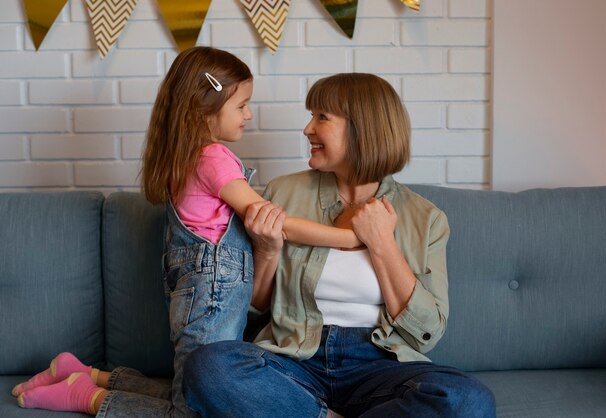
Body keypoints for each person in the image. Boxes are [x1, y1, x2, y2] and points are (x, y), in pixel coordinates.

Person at [12, 47, 362, 416]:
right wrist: (348, 238)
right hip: (213, 299)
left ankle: (86, 374)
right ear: (205, 106)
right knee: (194, 410)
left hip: (200, 295)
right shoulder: (214, 158)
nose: (248, 114)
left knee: (195, 392)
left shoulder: (188, 158)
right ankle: (83, 396)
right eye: (241, 105)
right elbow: (275, 221)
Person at [183, 73, 497, 417]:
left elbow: (428, 331)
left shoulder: (426, 219)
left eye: (321, 117)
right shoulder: (282, 193)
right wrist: (268, 250)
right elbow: (255, 310)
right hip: (295, 359)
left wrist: (381, 244)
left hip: (380, 365)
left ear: (362, 128)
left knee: (468, 399)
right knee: (209, 366)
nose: (307, 129)